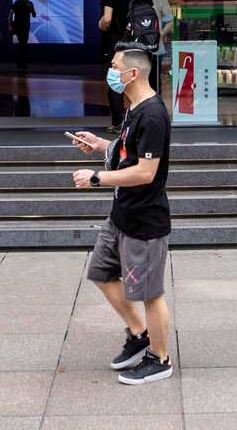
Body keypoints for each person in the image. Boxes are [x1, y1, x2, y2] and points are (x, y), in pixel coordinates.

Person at [69, 46, 174, 385]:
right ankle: (139, 333)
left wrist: (97, 177)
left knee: (150, 293)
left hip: (144, 219)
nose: (109, 72)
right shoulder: (134, 108)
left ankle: (160, 358)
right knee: (101, 272)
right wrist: (101, 145)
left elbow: (145, 172)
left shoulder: (153, 115)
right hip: (121, 214)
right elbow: (128, 151)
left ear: (132, 74)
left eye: (114, 66)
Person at [99, 0, 141, 131]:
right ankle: (140, 121)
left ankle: (118, 123)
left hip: (119, 43)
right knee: (138, 81)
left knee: (116, 82)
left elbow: (107, 19)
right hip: (139, 43)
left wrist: (101, 24)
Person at [138, 0, 172, 91]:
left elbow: (169, 21)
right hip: (139, 46)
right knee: (140, 79)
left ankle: (156, 106)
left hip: (155, 46)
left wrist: (161, 34)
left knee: (154, 80)